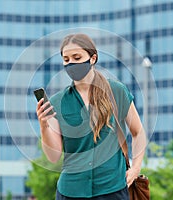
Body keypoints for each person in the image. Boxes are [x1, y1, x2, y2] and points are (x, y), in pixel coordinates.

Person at [36, 33, 146, 200]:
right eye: (66, 59)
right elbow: (54, 156)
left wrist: (136, 168)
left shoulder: (116, 91)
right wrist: (43, 126)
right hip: (71, 191)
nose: (71, 63)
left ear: (93, 58)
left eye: (77, 57)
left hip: (112, 189)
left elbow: (138, 132)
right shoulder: (57, 102)